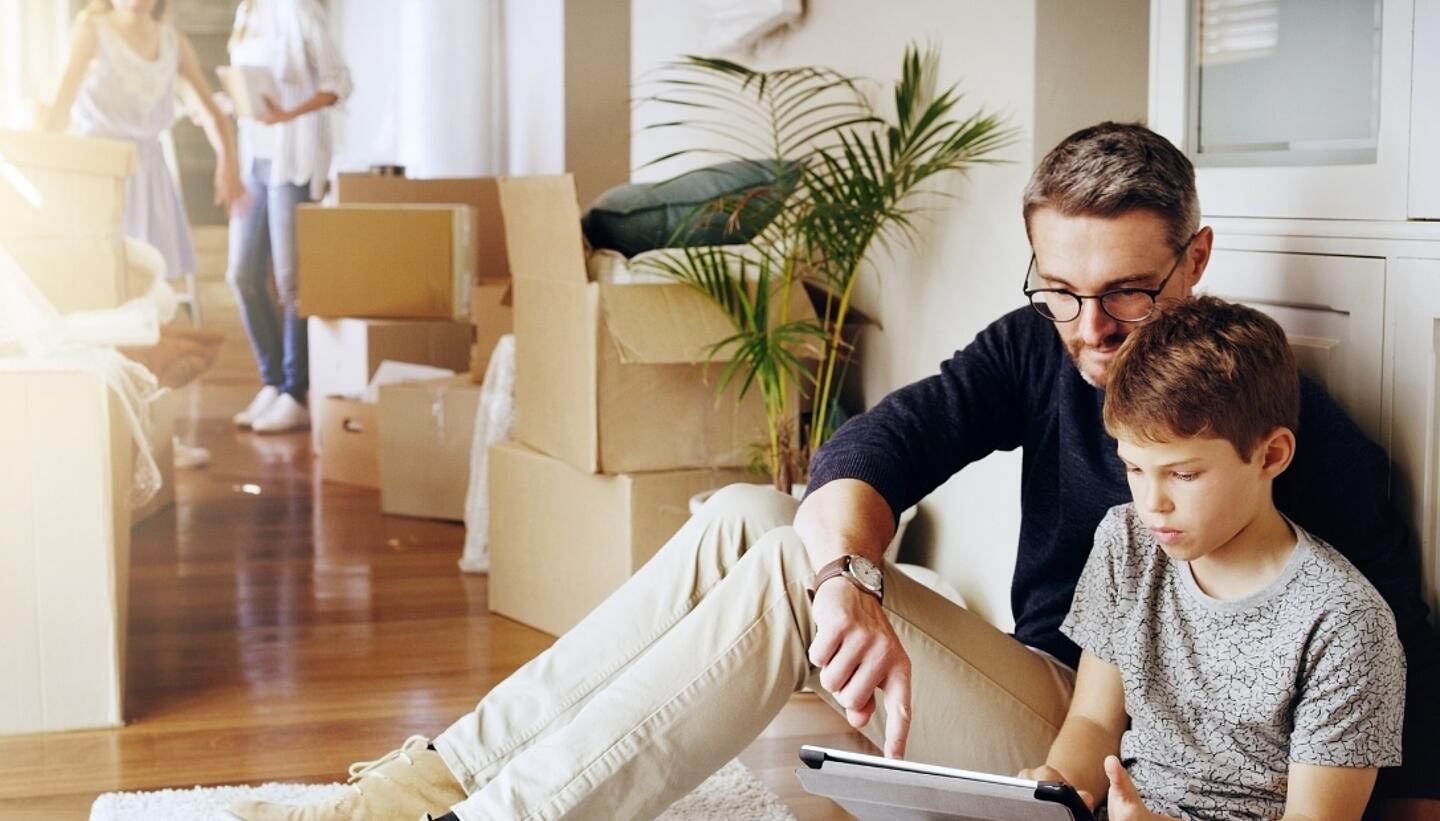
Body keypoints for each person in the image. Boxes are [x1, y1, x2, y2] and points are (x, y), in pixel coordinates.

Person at [227, 123, 1440, 821]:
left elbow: (1389, 686)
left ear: (1196, 260)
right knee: (751, 518)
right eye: (1061, 289)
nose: (1091, 327)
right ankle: (428, 779)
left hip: (1120, 757)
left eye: (1128, 289)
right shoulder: (1040, 346)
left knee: (779, 582)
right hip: (1061, 698)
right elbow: (870, 447)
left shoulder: (1285, 436)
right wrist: (849, 573)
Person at [1018, 296, 1404, 819]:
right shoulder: (1126, 541)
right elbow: (1092, 720)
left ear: (1271, 456)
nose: (1152, 504)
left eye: (1183, 474)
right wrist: (1059, 791)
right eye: (1134, 469)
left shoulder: (1345, 622)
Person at [41, 0, 244, 470]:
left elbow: (212, 111)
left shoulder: (174, 41)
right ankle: (100, 430)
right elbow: (58, 108)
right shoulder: (91, 30)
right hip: (98, 173)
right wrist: (45, 182)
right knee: (104, 300)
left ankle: (155, 432)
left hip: (149, 176)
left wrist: (228, 167)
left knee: (154, 303)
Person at [225, 0, 351, 434]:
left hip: (292, 160)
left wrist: (286, 115)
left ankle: (295, 392)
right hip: (255, 160)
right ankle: (273, 380)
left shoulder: (298, 10)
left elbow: (340, 82)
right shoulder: (245, 14)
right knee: (241, 274)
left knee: (291, 278)